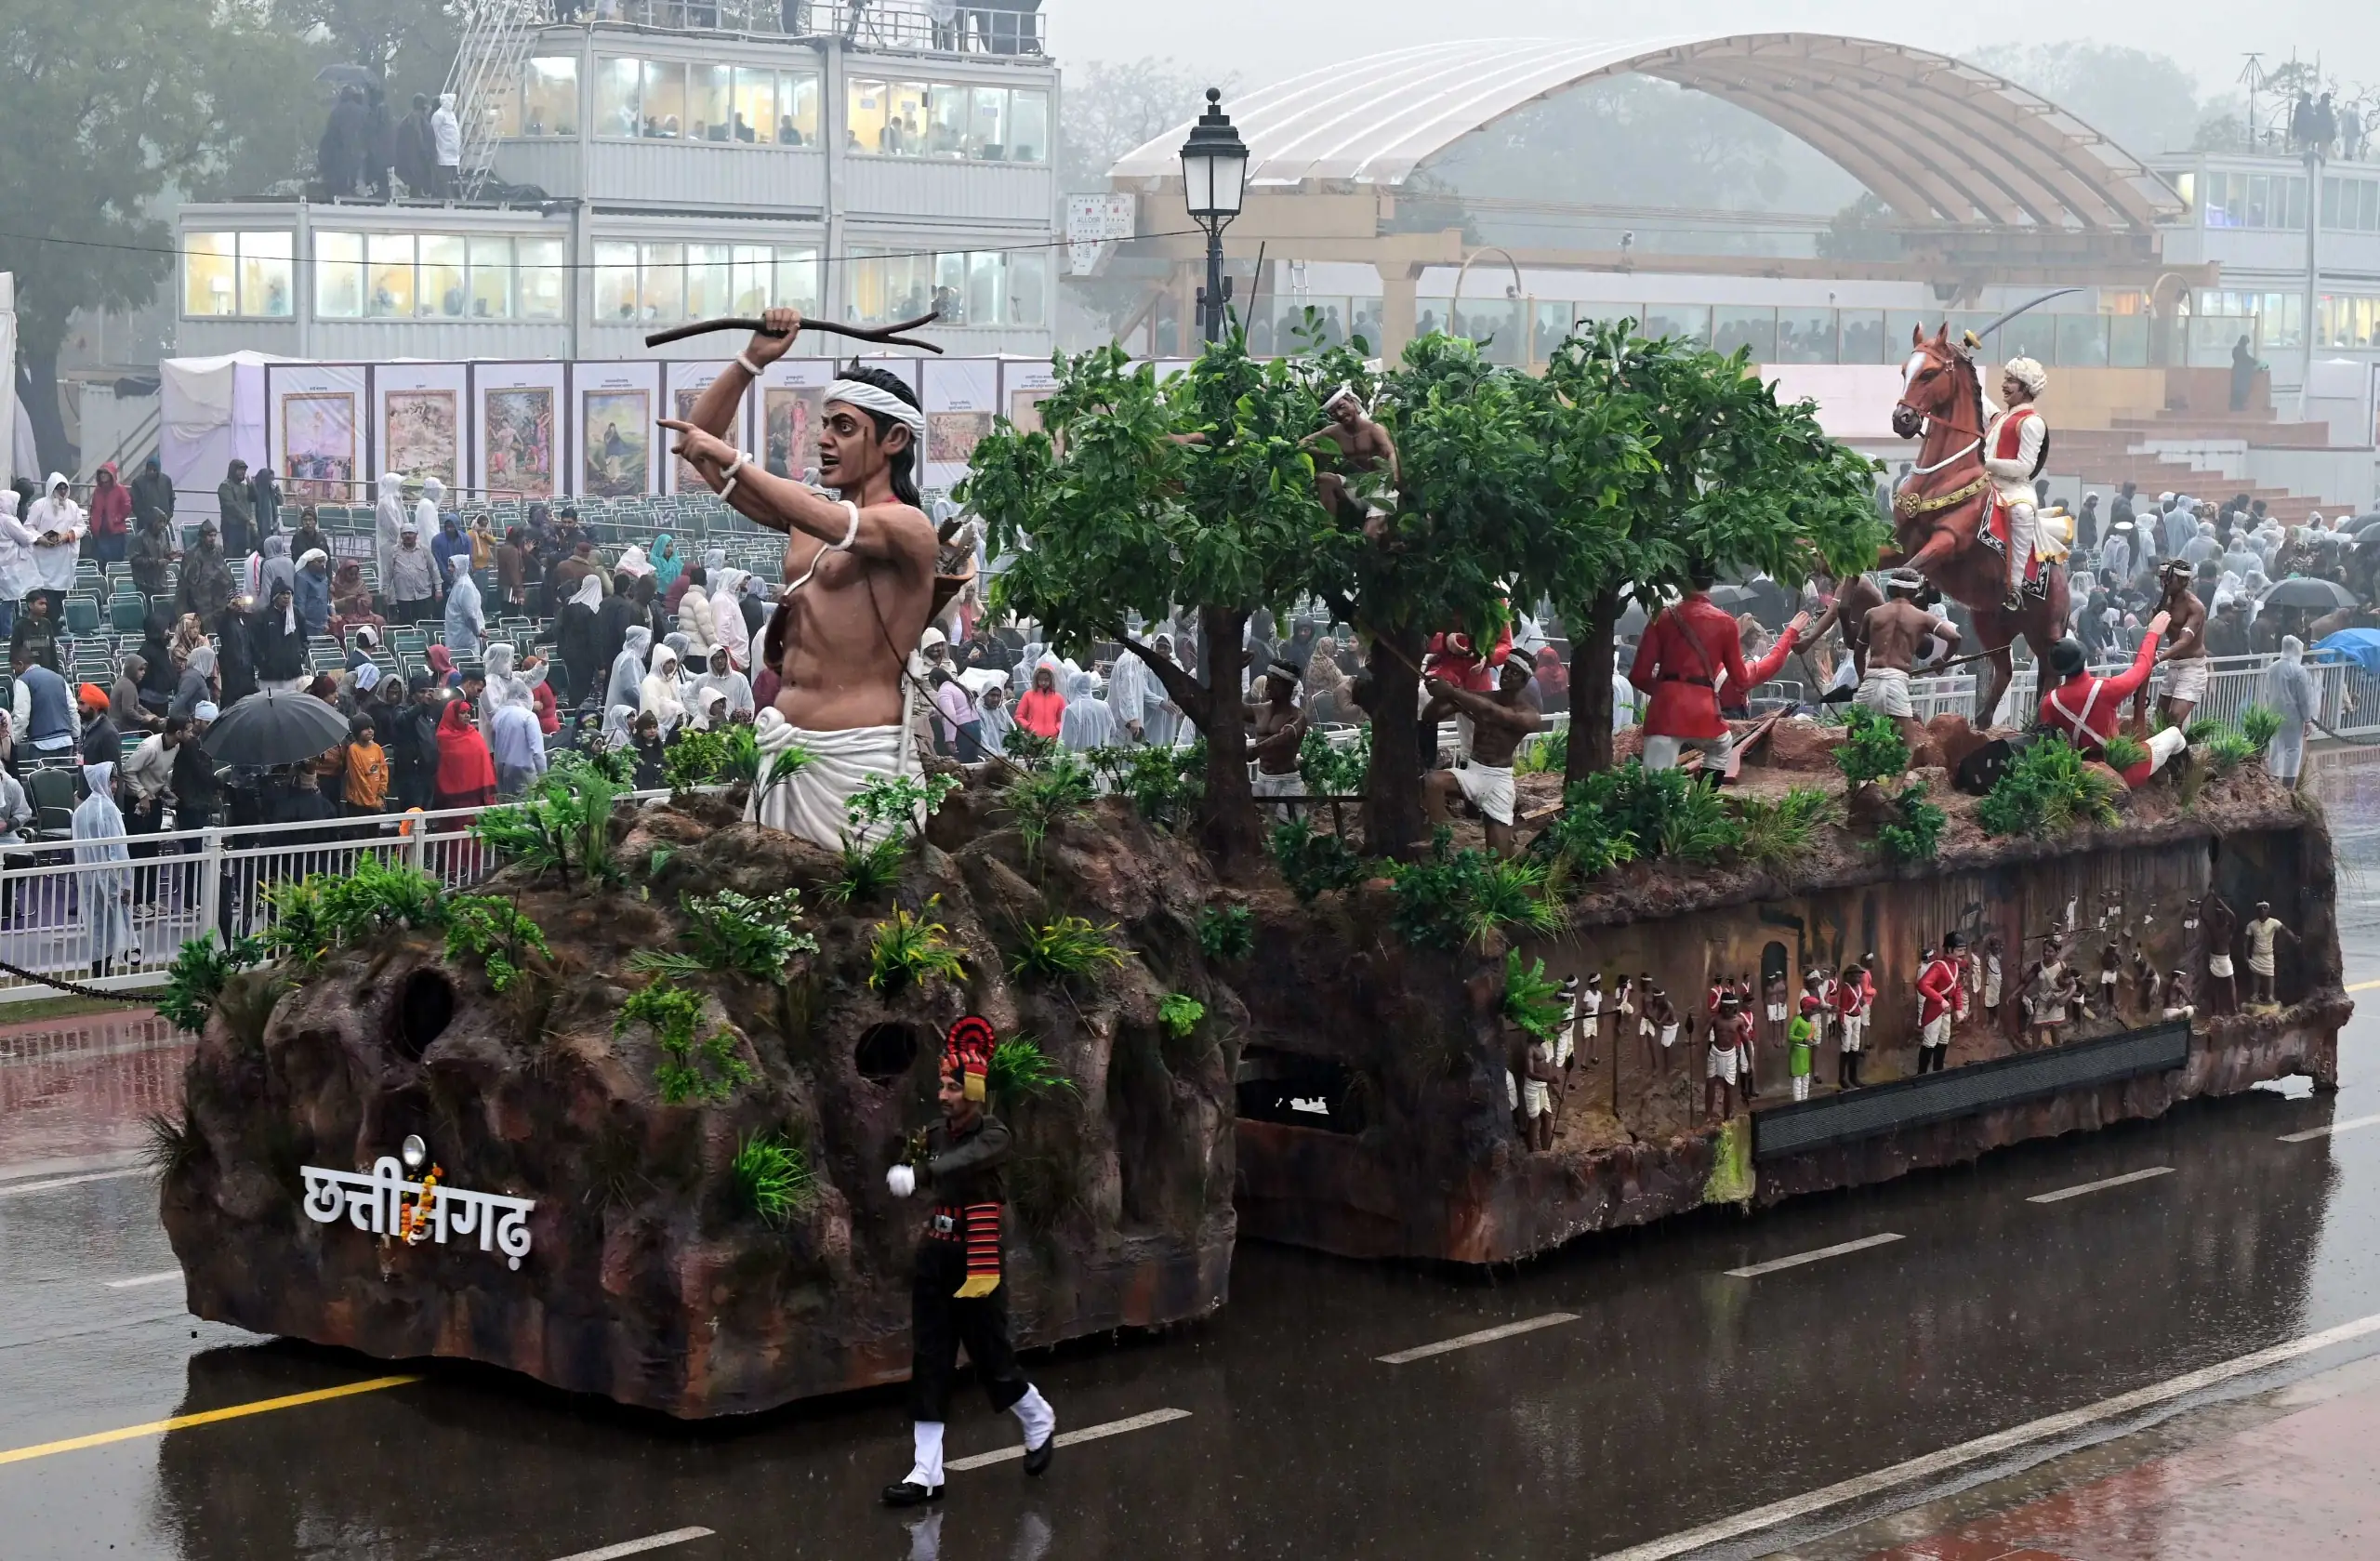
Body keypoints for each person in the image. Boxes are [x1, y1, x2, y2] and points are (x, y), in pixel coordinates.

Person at [665, 315, 942, 852]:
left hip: (861, 757)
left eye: (844, 427)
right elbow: (697, 446)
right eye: (825, 424)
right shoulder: (806, 513)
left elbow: (840, 525)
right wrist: (751, 361)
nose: (824, 439)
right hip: (786, 746)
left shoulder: (910, 527)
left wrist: (736, 461)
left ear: (894, 439)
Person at [879, 1016, 1058, 1506]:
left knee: (990, 1355)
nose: (943, 1095)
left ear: (974, 1092)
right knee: (930, 1358)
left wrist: (923, 1173)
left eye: (954, 1087)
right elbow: (915, 1157)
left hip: (977, 1254)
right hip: (936, 1252)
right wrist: (903, 1162)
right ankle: (926, 1472)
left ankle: (1037, 1418)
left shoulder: (994, 1136)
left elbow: (964, 1161)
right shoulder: (935, 1133)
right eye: (942, 1085)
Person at [1630, 565, 1808, 774]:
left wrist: (1667, 692)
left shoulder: (1660, 617)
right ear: (1712, 582)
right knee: (1721, 747)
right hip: (1702, 712)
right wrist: (1789, 635)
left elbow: (1638, 676)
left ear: (1682, 580)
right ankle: (1704, 794)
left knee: (1655, 782)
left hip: (1664, 712)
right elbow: (1744, 679)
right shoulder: (1724, 622)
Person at [2035, 615, 2184, 788]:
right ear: (2083, 659)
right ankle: (2185, 783)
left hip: (2081, 773)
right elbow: (2142, 667)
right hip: (2119, 770)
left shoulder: (2050, 702)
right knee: (2174, 734)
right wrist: (2152, 634)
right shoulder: (2106, 689)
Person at [1421, 659, 1545, 857]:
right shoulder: (1481, 698)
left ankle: (1531, 855)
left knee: (1499, 857)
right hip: (1474, 771)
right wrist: (1439, 695)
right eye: (1506, 668)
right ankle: (1437, 840)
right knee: (1433, 781)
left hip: (1498, 781)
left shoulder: (1530, 715)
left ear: (1524, 681)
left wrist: (1453, 692)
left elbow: (1492, 712)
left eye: (1515, 672)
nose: (1507, 674)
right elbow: (1430, 717)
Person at [1854, 569, 1959, 751]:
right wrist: (1942, 660)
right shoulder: (1922, 617)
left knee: (1854, 744)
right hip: (1896, 681)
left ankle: (1856, 770)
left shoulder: (1872, 614)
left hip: (1871, 680)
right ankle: (1899, 772)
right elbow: (1955, 638)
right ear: (1914, 592)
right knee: (1907, 748)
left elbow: (1858, 653)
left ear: (1890, 588)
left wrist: (1863, 679)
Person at [1981, 358, 2051, 609]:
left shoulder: (2032, 422)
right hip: (1985, 481)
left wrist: (1985, 463)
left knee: (2022, 512)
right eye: (2005, 379)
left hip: (2014, 488)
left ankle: (2015, 586)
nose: (2004, 385)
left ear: (2026, 388)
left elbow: (2024, 467)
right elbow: (1975, 397)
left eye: (2011, 381)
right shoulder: (2000, 417)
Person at [72, 764, 137, 977]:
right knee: (113, 923)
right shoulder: (109, 810)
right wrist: (125, 883)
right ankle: (117, 964)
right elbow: (119, 851)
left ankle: (100, 972)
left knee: (97, 924)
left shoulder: (80, 811)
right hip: (110, 877)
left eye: (115, 780)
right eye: (111, 780)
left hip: (88, 877)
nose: (114, 786)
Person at [2258, 635, 2320, 787]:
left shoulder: (2271, 668)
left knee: (2275, 747)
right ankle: (2288, 785)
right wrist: (2307, 719)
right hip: (2293, 717)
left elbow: (2267, 693)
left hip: (2274, 715)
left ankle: (2273, 782)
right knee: (2293, 749)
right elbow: (2304, 698)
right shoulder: (2299, 670)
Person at [1246, 660, 1305, 812]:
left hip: (1287, 783)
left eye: (1275, 681)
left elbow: (1284, 737)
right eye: (1268, 679)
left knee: (1288, 826)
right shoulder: (1259, 710)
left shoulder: (1298, 717)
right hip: (1262, 779)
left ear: (1288, 686)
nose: (1268, 685)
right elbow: (1231, 708)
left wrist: (1256, 750)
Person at [431, 698, 496, 810]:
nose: (467, 716)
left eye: (468, 712)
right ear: (452, 715)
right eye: (462, 713)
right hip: (454, 794)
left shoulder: (473, 732)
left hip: (477, 792)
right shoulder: (443, 737)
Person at [251, 583, 308, 690]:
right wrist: (263, 661)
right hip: (270, 676)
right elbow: (254, 643)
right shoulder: (262, 615)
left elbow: (304, 639)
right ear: (275, 596)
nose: (286, 597)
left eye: (288, 594)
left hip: (293, 673)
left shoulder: (297, 613)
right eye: (282, 594)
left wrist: (299, 655)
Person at [2241, 901, 2295, 1008]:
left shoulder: (2273, 922)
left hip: (2268, 954)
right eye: (2260, 908)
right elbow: (2245, 941)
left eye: (2265, 908)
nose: (2262, 910)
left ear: (2268, 910)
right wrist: (2245, 955)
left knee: (2270, 974)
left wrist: (2294, 938)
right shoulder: (2252, 924)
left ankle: (2270, 995)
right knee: (2255, 974)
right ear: (2257, 911)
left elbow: (2284, 929)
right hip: (2256, 954)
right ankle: (2255, 994)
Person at [488, 700, 547, 799]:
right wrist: (545, 778)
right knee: (525, 804)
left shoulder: (497, 716)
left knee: (506, 804)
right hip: (523, 771)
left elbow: (494, 745)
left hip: (501, 769)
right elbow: (537, 752)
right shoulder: (528, 716)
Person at [1834, 953, 1874, 1088]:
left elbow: (1860, 1000)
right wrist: (1841, 1022)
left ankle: (1853, 1076)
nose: (1858, 978)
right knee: (1846, 1047)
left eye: (1859, 976)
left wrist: (1861, 1002)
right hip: (1848, 1017)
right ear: (1848, 976)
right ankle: (1842, 1078)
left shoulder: (1858, 988)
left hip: (1857, 1017)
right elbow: (1842, 1007)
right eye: (1855, 976)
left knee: (1855, 1046)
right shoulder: (1846, 989)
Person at [693, 645, 757, 728]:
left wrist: (744, 721)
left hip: (736, 727)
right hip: (710, 728)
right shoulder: (702, 680)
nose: (720, 661)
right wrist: (701, 716)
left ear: (727, 658)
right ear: (710, 661)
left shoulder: (740, 678)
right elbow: (690, 699)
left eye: (722, 657)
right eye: (716, 658)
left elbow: (748, 703)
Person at [1058, 668, 1117, 752]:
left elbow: (1066, 744)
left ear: (1071, 687)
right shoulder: (1104, 706)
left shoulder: (1071, 710)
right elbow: (1113, 731)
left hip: (1079, 758)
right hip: (1101, 757)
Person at [84, 462, 131, 566]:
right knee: (99, 563)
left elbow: (127, 506)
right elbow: (93, 508)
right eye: (101, 473)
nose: (103, 475)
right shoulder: (97, 491)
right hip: (99, 533)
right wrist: (92, 522)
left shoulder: (120, 489)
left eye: (106, 473)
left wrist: (117, 519)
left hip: (115, 533)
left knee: (114, 563)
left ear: (111, 474)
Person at [341, 715, 389, 816]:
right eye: (366, 728)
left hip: (377, 800)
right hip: (359, 803)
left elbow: (383, 769)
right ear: (358, 731)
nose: (370, 731)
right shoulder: (353, 750)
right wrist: (372, 802)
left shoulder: (377, 748)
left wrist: (382, 791)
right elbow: (359, 780)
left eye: (372, 728)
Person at [443, 552, 483, 662]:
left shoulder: (464, 586)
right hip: (458, 636)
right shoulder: (459, 583)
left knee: (465, 667)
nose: (449, 569)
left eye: (452, 566)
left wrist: (477, 632)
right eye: (449, 565)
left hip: (463, 639)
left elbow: (470, 615)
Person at [8, 591, 63, 674]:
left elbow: (52, 651)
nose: (44, 607)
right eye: (41, 604)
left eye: (45, 604)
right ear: (30, 605)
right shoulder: (19, 625)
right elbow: (14, 653)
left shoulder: (46, 623)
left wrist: (55, 672)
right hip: (27, 674)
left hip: (47, 672)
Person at [641, 642, 687, 736]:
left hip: (674, 726)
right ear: (660, 663)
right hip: (654, 729)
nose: (672, 666)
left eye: (673, 662)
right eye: (668, 662)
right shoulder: (650, 682)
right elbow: (651, 711)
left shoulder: (671, 680)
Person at [1012, 663, 1064, 740]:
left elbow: (1063, 719)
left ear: (1051, 680)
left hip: (1052, 740)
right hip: (1032, 739)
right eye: (1040, 679)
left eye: (1046, 679)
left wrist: (1056, 729)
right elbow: (1018, 716)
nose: (1043, 682)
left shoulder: (1059, 698)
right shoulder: (1028, 695)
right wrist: (1029, 726)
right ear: (1036, 680)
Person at [217, 460, 255, 556]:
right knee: (231, 553)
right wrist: (247, 519)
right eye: (240, 469)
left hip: (243, 526)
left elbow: (254, 498)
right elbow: (231, 506)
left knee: (242, 553)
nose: (243, 472)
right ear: (233, 470)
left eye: (244, 470)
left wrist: (251, 486)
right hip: (230, 526)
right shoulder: (225, 486)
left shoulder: (243, 486)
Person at [430, 92, 461, 196]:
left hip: (453, 155)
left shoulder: (452, 115)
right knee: (443, 181)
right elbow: (434, 133)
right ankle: (445, 197)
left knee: (451, 181)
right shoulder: (438, 115)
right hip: (443, 154)